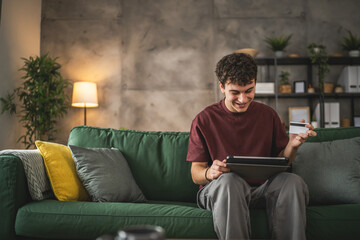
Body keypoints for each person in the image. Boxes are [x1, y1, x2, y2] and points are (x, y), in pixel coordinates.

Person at [186, 53, 317, 240]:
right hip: (222, 190)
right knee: (230, 181)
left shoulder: (268, 115)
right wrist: (210, 173)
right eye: (235, 92)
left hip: (261, 189)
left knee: (292, 181)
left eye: (249, 90)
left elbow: (284, 160)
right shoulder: (204, 119)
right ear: (222, 87)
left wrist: (292, 145)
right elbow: (195, 173)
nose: (243, 99)